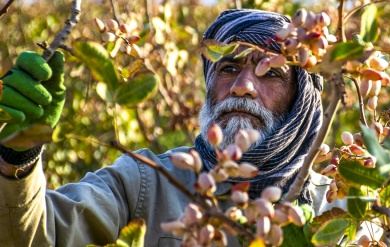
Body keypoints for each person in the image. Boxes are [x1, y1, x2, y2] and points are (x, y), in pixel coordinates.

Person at [0, 9, 354, 247]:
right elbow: (36, 236)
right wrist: (17, 158)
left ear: (300, 102)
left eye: (271, 72)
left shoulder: (340, 212)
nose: (242, 86)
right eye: (228, 68)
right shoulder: (146, 181)